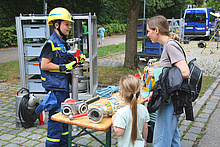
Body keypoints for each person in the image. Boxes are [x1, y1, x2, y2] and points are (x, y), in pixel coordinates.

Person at [35, 7, 85, 147]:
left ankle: (65, 144)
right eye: (66, 24)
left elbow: (61, 60)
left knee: (64, 119)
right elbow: (44, 65)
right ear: (56, 25)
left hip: (62, 87)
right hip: (55, 89)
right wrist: (64, 68)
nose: (69, 27)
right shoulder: (50, 43)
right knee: (56, 122)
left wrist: (75, 60)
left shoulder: (62, 42)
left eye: (69, 24)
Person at [145, 15, 190, 147]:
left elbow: (185, 72)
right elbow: (171, 68)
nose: (148, 34)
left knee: (161, 141)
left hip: (170, 101)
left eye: (148, 31)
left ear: (156, 30)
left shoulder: (170, 45)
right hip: (172, 98)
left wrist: (157, 72)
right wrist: (157, 65)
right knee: (172, 139)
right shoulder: (168, 45)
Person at [111, 75, 150, 147]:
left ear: (121, 93)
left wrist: (113, 120)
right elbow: (145, 129)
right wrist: (144, 140)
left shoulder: (121, 112)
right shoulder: (144, 109)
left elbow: (119, 132)